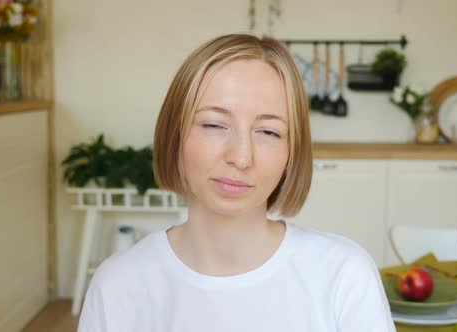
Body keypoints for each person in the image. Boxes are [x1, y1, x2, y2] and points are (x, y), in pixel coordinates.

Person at [77, 33, 395, 332]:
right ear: (174, 135)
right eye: (214, 124)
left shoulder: (345, 276)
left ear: (291, 152)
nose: (241, 158)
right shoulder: (118, 286)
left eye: (269, 132)